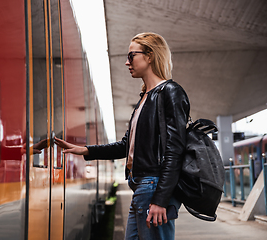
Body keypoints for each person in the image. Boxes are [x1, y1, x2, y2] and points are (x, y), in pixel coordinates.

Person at [55, 32, 190, 240]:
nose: (127, 63)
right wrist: (86, 150)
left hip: (153, 186)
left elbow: (175, 150)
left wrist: (161, 199)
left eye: (131, 56)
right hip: (140, 188)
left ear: (150, 55)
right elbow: (126, 145)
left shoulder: (170, 92)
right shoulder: (144, 98)